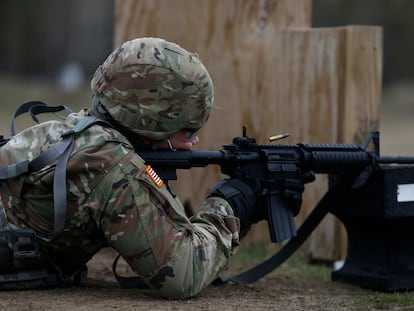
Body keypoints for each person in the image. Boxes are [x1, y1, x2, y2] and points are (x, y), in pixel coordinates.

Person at [0, 37, 303, 299]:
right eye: (187, 130)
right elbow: (181, 273)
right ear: (151, 124)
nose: (195, 140)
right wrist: (231, 204)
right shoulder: (111, 164)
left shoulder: (78, 130)